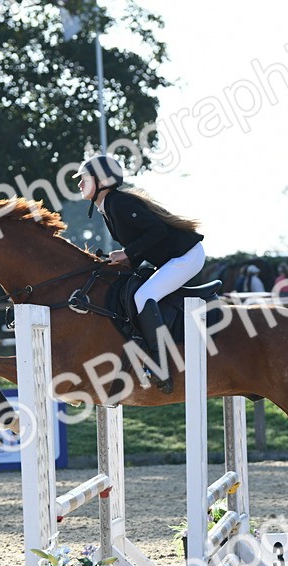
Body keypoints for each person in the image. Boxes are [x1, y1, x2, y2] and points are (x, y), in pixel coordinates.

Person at [75, 153, 204, 393]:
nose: (79, 184)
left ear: (101, 181)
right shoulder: (108, 206)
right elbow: (143, 243)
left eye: (84, 178)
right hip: (171, 258)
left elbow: (156, 231)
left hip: (186, 256)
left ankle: (160, 363)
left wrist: (126, 253)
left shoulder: (118, 203)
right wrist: (119, 260)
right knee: (133, 290)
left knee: (143, 297)